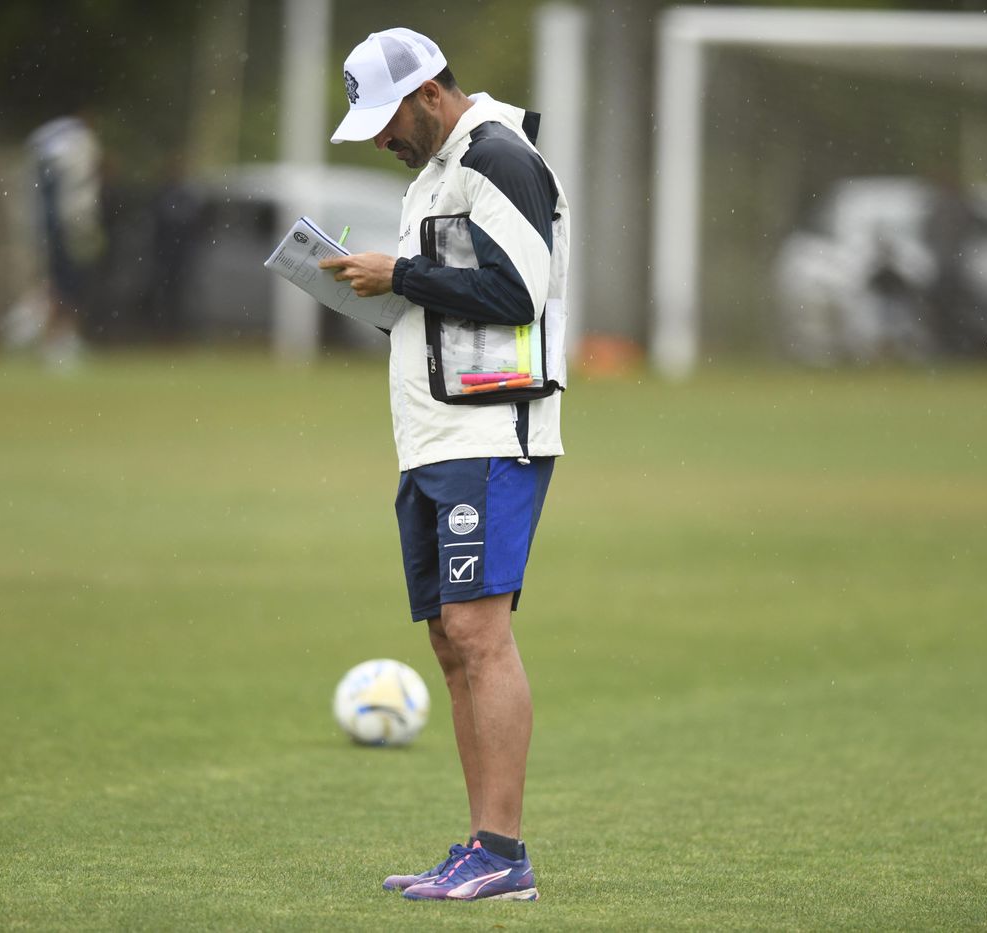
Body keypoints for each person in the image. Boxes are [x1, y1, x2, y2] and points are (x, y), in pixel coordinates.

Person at [318, 28, 569, 902]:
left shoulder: (499, 155)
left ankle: (503, 854)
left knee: (478, 633)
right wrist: (384, 285)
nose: (382, 139)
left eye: (387, 119)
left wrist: (403, 273)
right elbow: (450, 296)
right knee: (449, 636)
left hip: (490, 434)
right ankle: (480, 848)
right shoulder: (434, 173)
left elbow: (518, 291)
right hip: (432, 436)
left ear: (430, 92)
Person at [5, 113, 105, 367]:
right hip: (61, 228)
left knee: (55, 281)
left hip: (45, 225)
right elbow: (78, 198)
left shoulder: (45, 146)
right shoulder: (79, 143)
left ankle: (44, 327)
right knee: (65, 284)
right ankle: (54, 339)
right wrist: (84, 228)